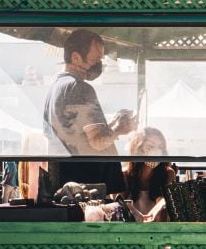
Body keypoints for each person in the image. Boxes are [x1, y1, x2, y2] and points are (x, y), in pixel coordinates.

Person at [43, 29, 136, 194]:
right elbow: (97, 141)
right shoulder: (80, 88)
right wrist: (120, 128)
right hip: (88, 186)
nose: (99, 64)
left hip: (69, 183)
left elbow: (80, 133)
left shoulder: (57, 87)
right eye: (95, 59)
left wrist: (113, 122)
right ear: (76, 57)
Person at [122, 127, 175, 222]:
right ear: (138, 148)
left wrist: (156, 211)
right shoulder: (125, 175)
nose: (156, 151)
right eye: (150, 146)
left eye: (160, 147)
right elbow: (118, 204)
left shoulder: (168, 173)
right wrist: (133, 212)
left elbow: (168, 199)